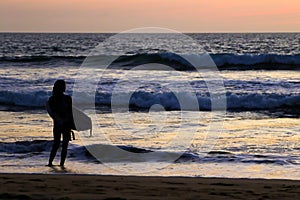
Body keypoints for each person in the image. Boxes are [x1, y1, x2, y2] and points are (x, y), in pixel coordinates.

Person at [47, 80, 73, 167]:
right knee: (62, 145)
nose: (64, 87)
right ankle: (58, 164)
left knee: (57, 144)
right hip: (63, 125)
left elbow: (52, 113)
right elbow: (71, 112)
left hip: (60, 124)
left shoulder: (53, 99)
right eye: (63, 86)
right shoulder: (64, 99)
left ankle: (52, 163)